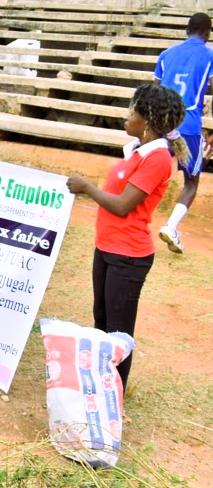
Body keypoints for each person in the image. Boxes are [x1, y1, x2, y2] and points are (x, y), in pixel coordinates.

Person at [66, 84, 187, 390]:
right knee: (102, 323)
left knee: (118, 333)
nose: (126, 117)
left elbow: (122, 206)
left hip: (128, 256)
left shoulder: (158, 158)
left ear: (146, 120)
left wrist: (87, 188)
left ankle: (115, 395)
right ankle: (99, 387)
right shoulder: (138, 152)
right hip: (107, 247)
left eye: (131, 112)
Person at [154, 12, 213, 254]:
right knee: (190, 182)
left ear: (187, 30)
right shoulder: (209, 55)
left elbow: (154, 93)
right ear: (207, 34)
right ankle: (170, 226)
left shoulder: (166, 55)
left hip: (161, 125)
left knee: (150, 170)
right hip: (187, 127)